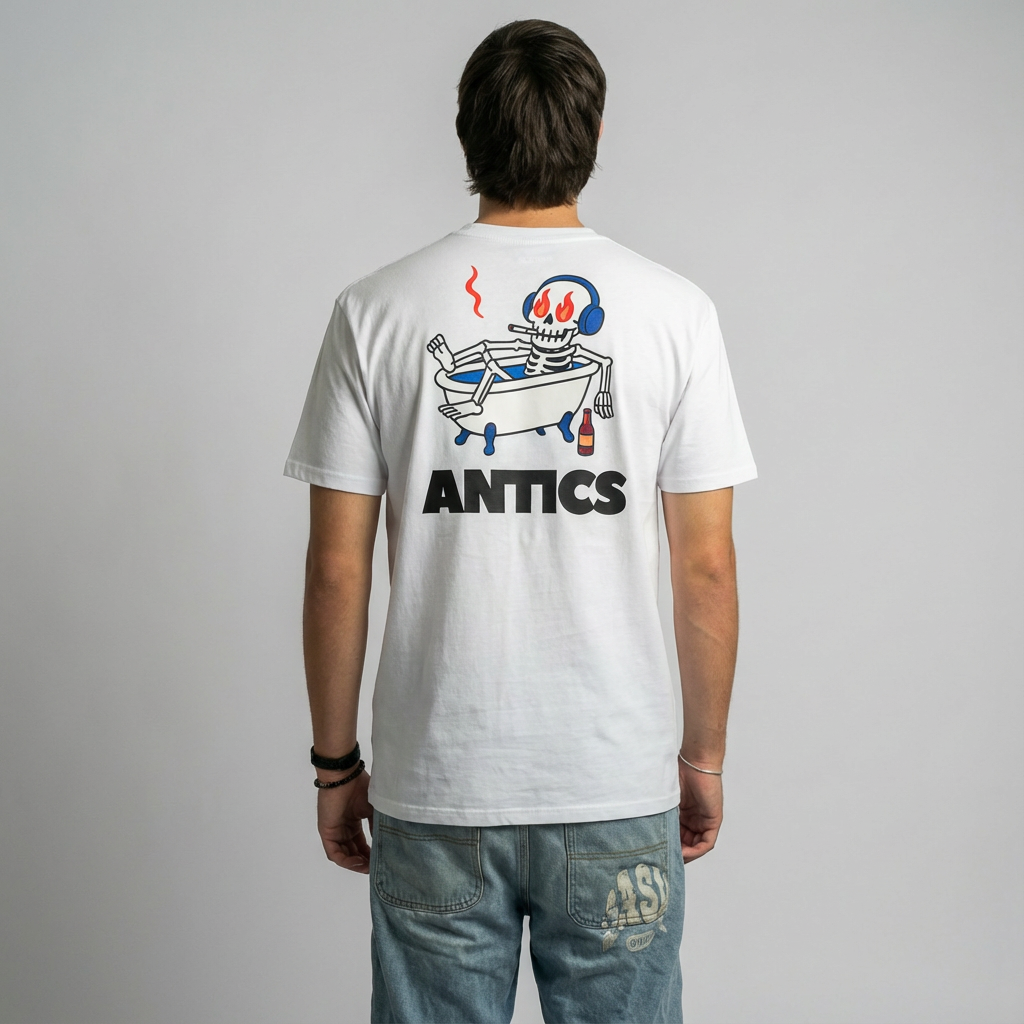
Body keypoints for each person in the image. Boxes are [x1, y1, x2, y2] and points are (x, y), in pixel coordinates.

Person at [284, 19, 756, 1024]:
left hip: (438, 784)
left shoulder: (375, 310)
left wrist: (335, 765)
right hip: (612, 777)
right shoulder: (676, 312)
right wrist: (702, 759)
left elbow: (336, 570)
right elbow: (705, 569)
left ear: (466, 131)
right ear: (594, 133)